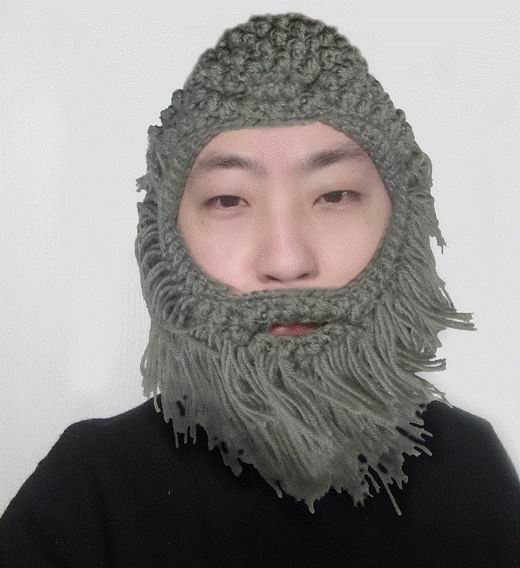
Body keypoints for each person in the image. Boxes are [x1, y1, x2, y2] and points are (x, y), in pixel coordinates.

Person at [1, 11, 518, 568]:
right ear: (164, 237)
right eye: (228, 200)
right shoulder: (89, 491)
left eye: (335, 195)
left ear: (404, 218)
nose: (287, 261)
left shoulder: (470, 472)